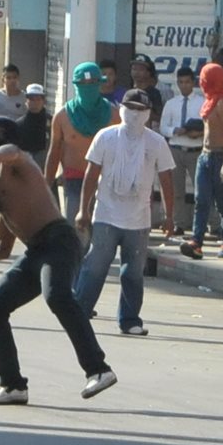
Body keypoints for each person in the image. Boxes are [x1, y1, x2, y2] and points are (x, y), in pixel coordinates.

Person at [0, 116, 117, 405]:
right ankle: (13, 385)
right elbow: (2, 248)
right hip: (36, 251)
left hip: (58, 240)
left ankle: (98, 369)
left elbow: (13, 152)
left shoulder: (19, 165)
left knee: (56, 295)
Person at [73, 89, 175, 335]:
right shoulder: (105, 137)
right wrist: (83, 211)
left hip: (139, 219)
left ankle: (130, 321)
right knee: (96, 265)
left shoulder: (155, 142)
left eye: (141, 110)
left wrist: (170, 216)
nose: (135, 115)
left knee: (133, 271)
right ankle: (79, 313)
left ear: (149, 113)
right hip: (106, 214)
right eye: (131, 109)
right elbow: (91, 174)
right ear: (121, 109)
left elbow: (166, 179)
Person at [45, 62, 119, 226]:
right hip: (74, 179)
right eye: (83, 84)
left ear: (100, 84)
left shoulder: (113, 115)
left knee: (103, 229)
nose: (88, 88)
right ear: (76, 86)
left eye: (92, 83)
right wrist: (46, 185)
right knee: (76, 227)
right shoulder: (62, 117)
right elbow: (54, 152)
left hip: (105, 180)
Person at [180, 63, 223, 259]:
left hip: (220, 156)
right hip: (204, 156)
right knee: (201, 201)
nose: (202, 82)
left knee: (222, 204)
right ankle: (196, 242)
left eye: (205, 78)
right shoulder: (210, 100)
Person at [158, 66, 205, 235]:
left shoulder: (202, 103)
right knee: (176, 190)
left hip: (195, 149)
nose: (184, 86)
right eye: (181, 82)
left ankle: (206, 224)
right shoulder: (171, 104)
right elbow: (163, 127)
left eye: (187, 82)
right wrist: (175, 131)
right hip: (176, 149)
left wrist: (197, 133)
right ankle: (178, 223)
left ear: (193, 83)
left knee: (201, 190)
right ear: (177, 83)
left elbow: (208, 126)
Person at [15, 83, 52, 172]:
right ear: (26, 101)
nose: (35, 103)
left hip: (47, 171)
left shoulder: (52, 122)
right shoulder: (19, 124)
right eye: (31, 99)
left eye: (38, 99)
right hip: (25, 171)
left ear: (43, 101)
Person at [128, 54, 166, 128]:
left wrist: (145, 112)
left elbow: (160, 118)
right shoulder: (128, 92)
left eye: (141, 69)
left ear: (148, 73)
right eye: (134, 69)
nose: (136, 72)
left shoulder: (155, 93)